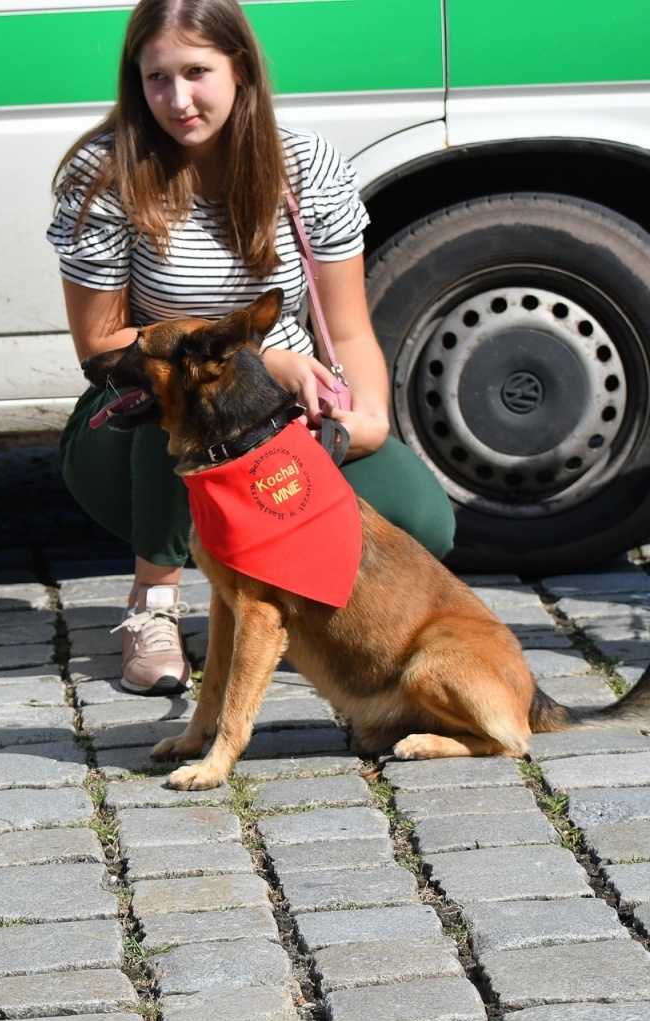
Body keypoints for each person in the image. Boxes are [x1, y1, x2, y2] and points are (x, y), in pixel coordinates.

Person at [49, 0, 454, 696]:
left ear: (240, 65)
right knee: (189, 396)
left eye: (197, 72)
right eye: (156, 78)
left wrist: (371, 418)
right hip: (139, 433)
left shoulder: (304, 163)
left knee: (420, 519)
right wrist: (261, 360)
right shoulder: (105, 171)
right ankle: (155, 604)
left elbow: (350, 329)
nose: (177, 99)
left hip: (282, 421)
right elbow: (99, 343)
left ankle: (291, 609)